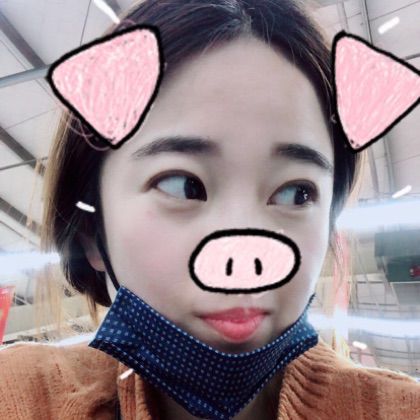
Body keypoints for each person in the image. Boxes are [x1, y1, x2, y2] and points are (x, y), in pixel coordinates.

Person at [1, 0, 419, 419]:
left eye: (296, 193)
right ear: (92, 234)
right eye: (183, 185)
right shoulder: (22, 396)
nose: (244, 254)